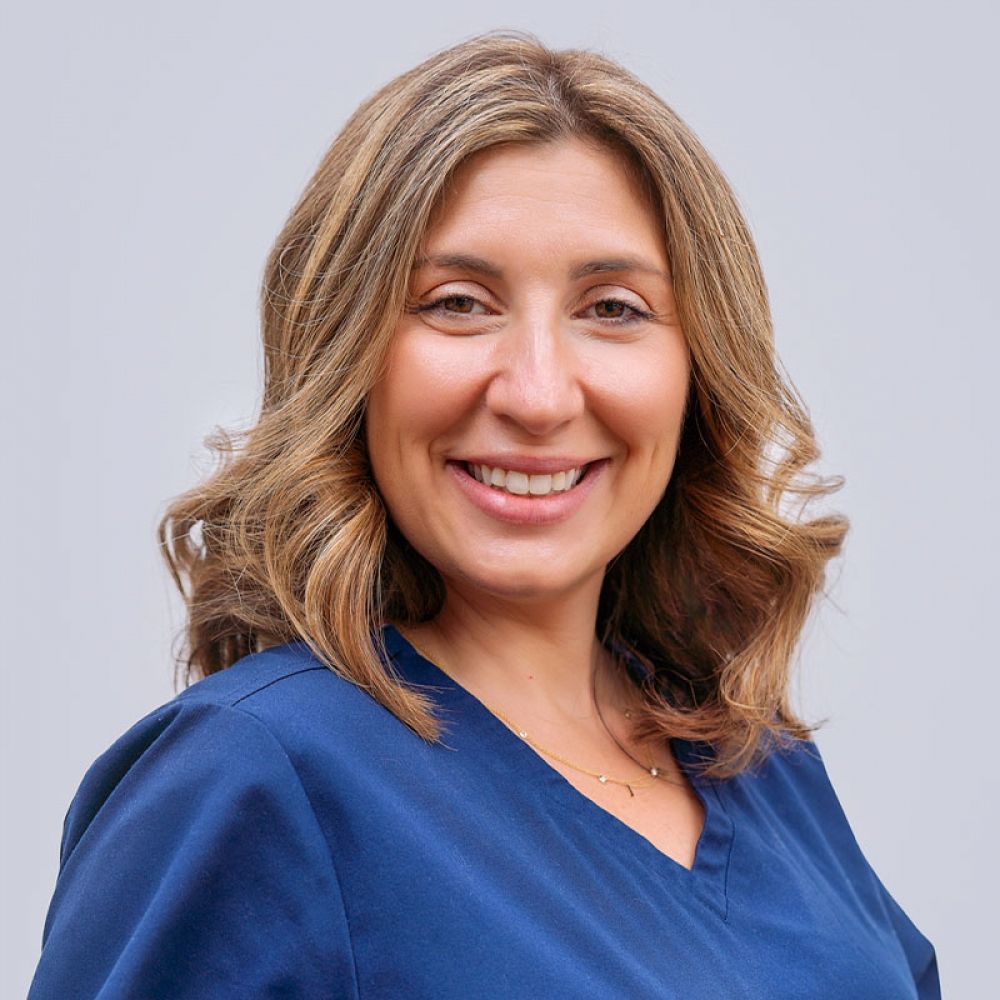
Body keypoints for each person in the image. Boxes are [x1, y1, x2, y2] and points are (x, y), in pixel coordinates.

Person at [28, 29, 940, 999]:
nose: (540, 395)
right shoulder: (254, 776)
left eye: (614, 307)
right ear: (350, 357)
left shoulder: (760, 767)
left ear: (697, 369)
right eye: (458, 303)